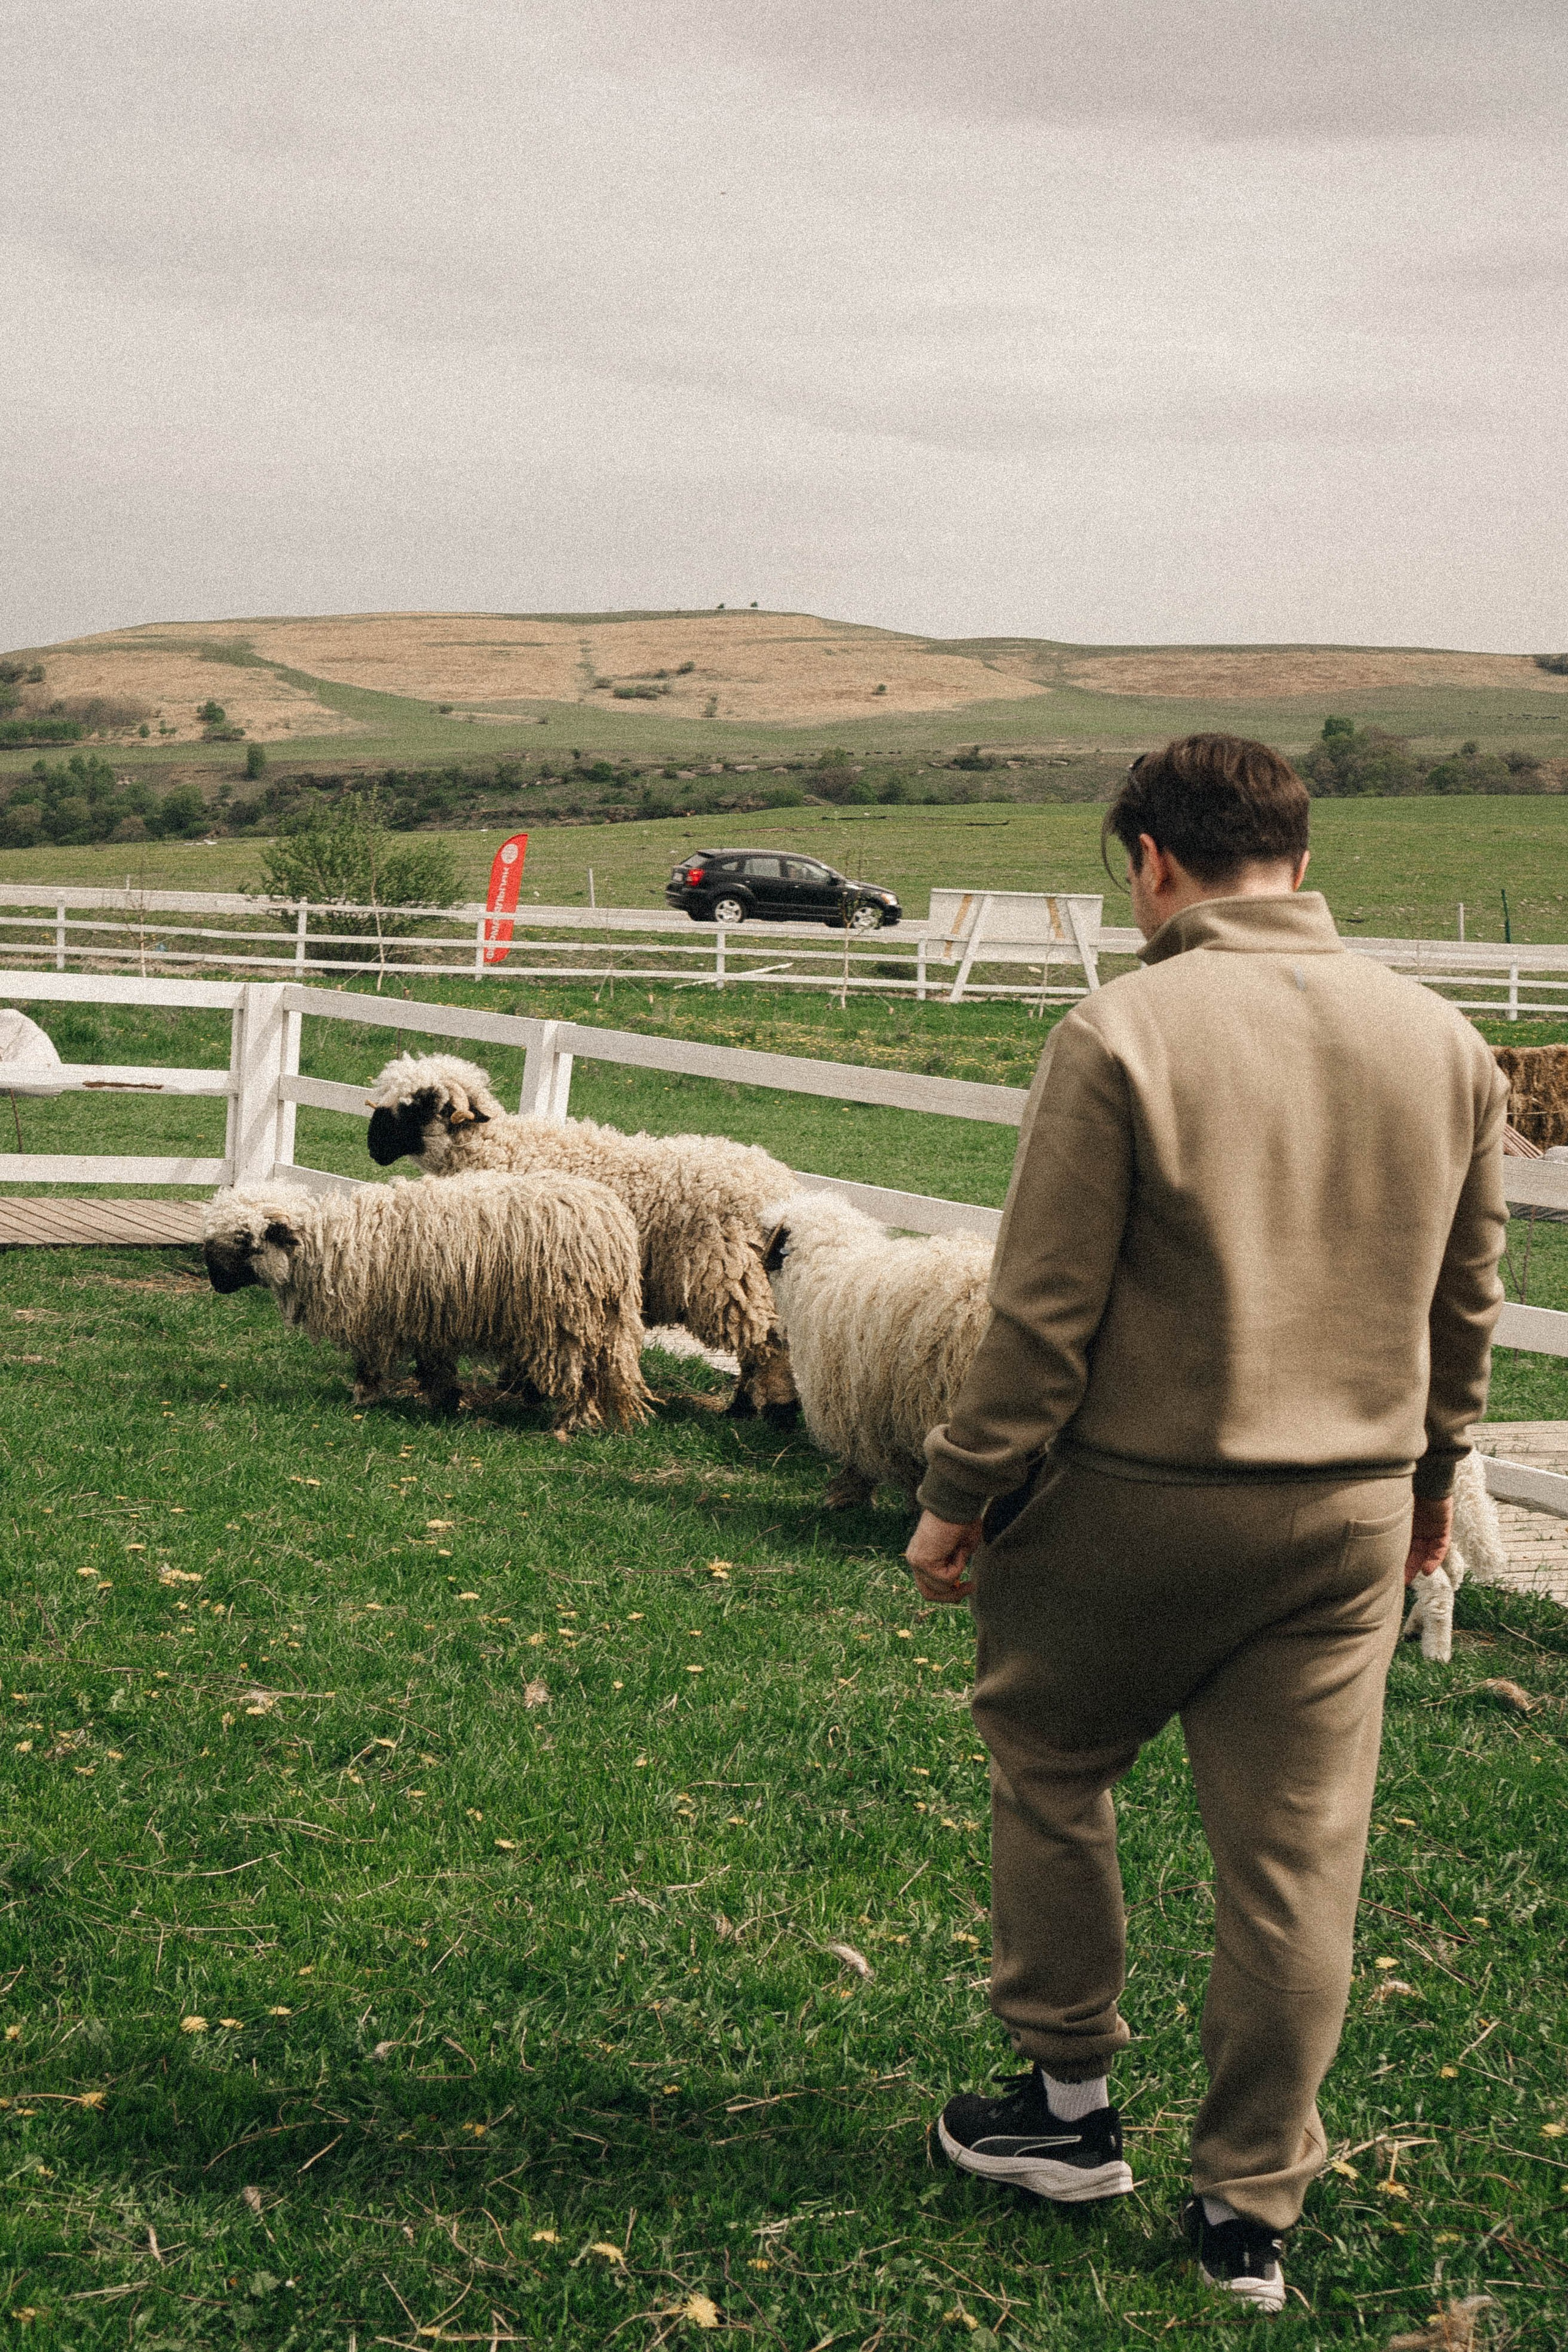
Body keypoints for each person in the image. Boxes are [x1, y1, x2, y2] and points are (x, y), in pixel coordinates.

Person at [906, 734, 1507, 2316]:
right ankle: (1249, 2217)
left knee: (1051, 1763)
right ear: (1299, 860)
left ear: (1153, 865)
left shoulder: (1121, 1035)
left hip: (1143, 1497)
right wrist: (1433, 1487)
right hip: (1352, 1514)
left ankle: (1068, 2110)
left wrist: (960, 1496)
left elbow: (1040, 1321)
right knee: (1299, 1862)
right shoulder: (1444, 1046)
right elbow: (1468, 1314)